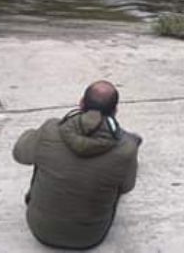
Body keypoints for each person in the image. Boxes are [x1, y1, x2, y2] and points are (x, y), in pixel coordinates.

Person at [12, 80, 141, 250]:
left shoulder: (50, 129)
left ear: (81, 103)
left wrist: (34, 135)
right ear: (115, 111)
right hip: (90, 237)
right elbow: (126, 187)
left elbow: (19, 154)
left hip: (40, 229)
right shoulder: (126, 149)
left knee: (42, 157)